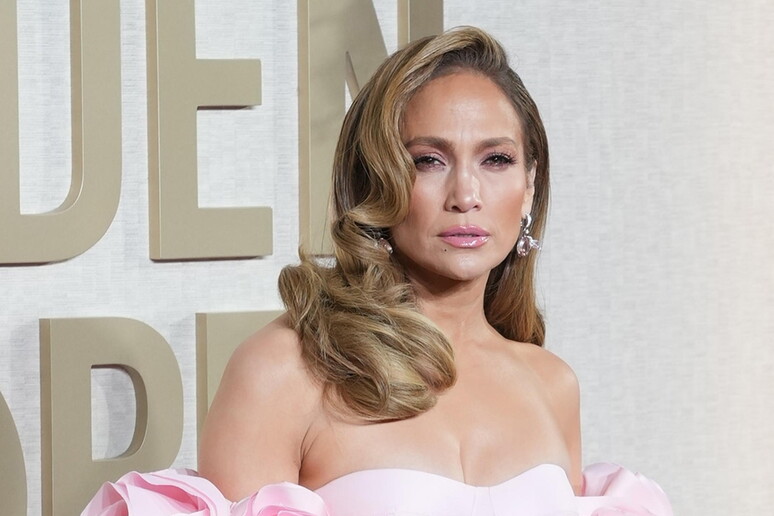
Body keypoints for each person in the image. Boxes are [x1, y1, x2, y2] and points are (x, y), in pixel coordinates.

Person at [82, 26, 672, 516]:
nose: (466, 194)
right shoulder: (285, 370)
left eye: (496, 159)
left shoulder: (552, 384)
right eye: (428, 161)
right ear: (374, 181)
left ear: (530, 186)